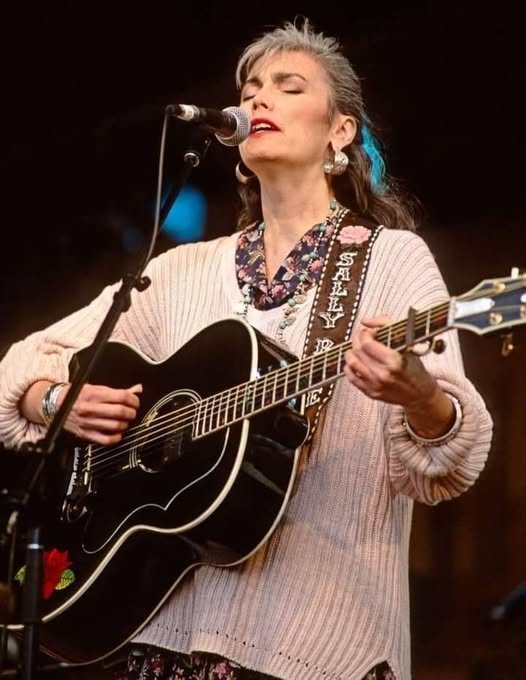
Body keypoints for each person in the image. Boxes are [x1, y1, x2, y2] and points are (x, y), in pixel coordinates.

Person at [0, 18, 493, 680]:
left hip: (319, 643)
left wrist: (421, 396)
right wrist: (57, 399)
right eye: (250, 88)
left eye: (289, 86)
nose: (259, 98)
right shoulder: (180, 272)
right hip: (167, 641)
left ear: (340, 131)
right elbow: (18, 365)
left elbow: (443, 468)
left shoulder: (390, 261)